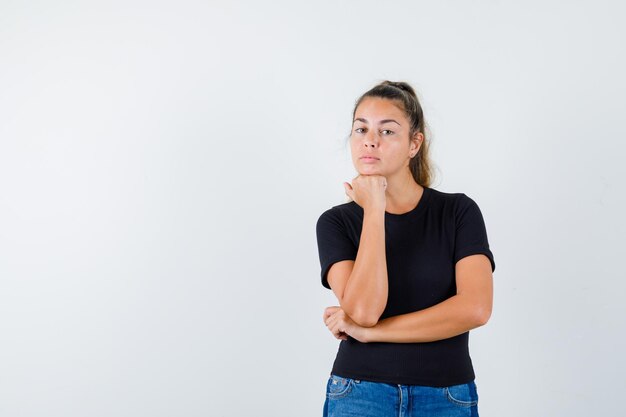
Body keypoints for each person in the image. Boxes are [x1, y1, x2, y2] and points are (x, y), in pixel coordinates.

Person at [315, 80, 495, 417]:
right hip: (359, 393)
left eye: (387, 131)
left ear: (414, 144)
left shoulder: (457, 212)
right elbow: (365, 311)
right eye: (361, 128)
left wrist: (370, 334)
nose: (370, 139)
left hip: (446, 395)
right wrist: (373, 209)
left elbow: (475, 309)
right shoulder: (336, 223)